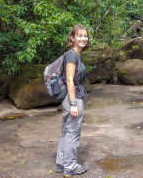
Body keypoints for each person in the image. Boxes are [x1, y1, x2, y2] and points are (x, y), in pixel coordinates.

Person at [56, 24, 90, 177]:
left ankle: (61, 163)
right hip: (73, 98)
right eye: (80, 36)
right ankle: (70, 167)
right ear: (73, 37)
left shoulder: (74, 54)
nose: (83, 38)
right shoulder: (72, 55)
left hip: (70, 98)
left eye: (85, 36)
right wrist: (74, 103)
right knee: (72, 133)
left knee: (66, 131)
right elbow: (69, 80)